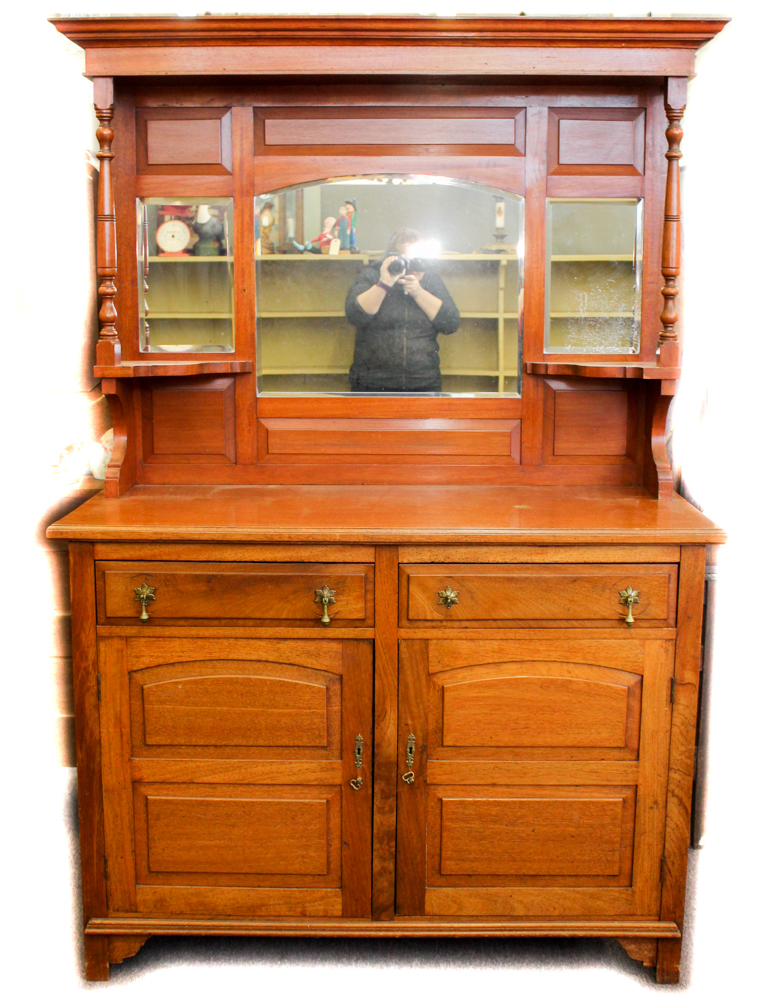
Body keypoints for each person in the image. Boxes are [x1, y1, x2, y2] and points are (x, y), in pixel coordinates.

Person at [345, 228, 460, 392]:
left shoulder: (430, 280)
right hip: (372, 382)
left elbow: (450, 323)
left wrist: (419, 292)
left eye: (418, 262)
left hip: (423, 382)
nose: (412, 269)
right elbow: (355, 315)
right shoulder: (371, 276)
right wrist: (384, 283)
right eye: (406, 262)